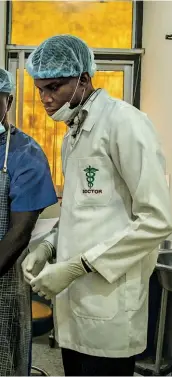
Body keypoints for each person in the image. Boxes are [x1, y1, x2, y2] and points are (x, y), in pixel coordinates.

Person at [22, 34, 172, 376]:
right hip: (75, 308)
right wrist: (48, 247)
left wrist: (77, 266)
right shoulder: (73, 134)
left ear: (83, 79)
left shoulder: (125, 123)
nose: (45, 99)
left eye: (54, 87)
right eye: (40, 89)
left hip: (110, 307)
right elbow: (81, 213)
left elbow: (157, 220)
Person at [0, 68, 58, 375]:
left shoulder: (25, 154)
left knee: (4, 361)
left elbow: (19, 233)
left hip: (4, 281)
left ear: (7, 101)